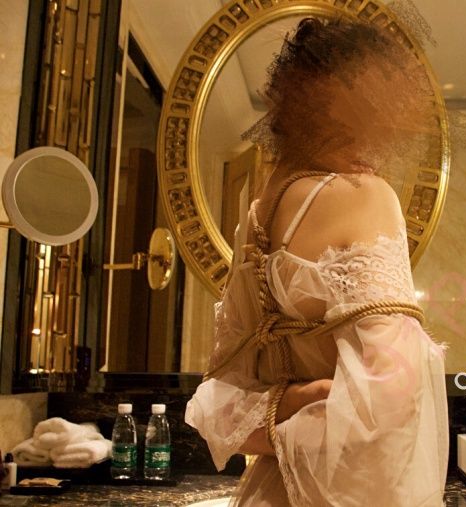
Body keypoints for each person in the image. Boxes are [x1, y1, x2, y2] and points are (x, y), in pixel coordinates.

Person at [186, 15, 448, 507]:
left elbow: (216, 410)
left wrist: (280, 408)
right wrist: (296, 409)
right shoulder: (365, 195)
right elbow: (392, 402)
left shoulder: (253, 218)